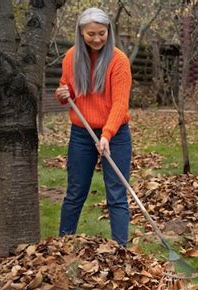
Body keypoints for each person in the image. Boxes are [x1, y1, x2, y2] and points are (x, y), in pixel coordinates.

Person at [55, 8, 133, 246]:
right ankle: (63, 245)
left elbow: (120, 103)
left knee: (117, 195)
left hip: (116, 134)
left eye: (102, 33)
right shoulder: (71, 57)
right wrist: (62, 94)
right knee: (75, 193)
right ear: (81, 33)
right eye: (91, 34)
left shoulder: (118, 60)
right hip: (81, 134)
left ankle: (121, 250)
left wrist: (107, 134)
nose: (97, 39)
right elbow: (66, 90)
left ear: (109, 31)